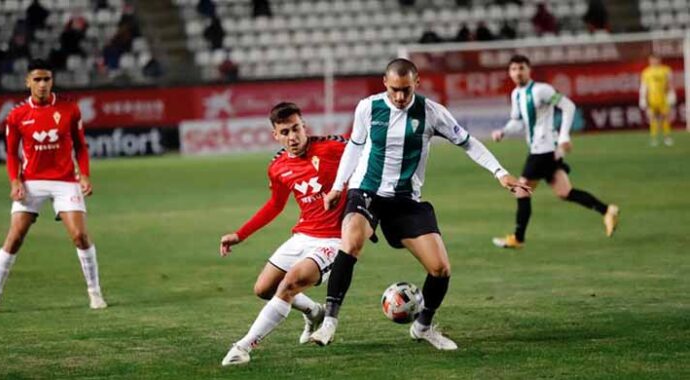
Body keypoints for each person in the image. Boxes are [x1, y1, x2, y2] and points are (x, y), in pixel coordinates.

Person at [308, 59, 529, 350]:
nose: (400, 97)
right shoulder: (368, 107)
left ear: (417, 83)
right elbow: (355, 146)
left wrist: (500, 173)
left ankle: (423, 327)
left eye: (406, 90)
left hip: (406, 200)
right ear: (385, 83)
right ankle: (329, 324)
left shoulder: (432, 112)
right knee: (351, 244)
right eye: (395, 90)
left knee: (440, 269)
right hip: (367, 191)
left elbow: (468, 142)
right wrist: (339, 186)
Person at [219, 103, 348, 365]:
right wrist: (240, 234)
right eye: (285, 132)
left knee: (290, 284)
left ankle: (244, 346)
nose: (293, 137)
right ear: (275, 135)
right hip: (302, 235)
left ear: (304, 126)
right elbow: (275, 205)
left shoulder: (333, 147)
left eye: (296, 129)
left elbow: (365, 154)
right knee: (263, 288)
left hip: (335, 239)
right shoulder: (277, 166)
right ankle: (313, 312)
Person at [0, 59, 106, 316]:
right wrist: (15, 181)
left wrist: (85, 175)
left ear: (52, 81)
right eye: (37, 79)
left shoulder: (70, 109)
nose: (43, 84)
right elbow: (12, 154)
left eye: (47, 79)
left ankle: (95, 293)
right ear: (28, 82)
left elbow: (81, 147)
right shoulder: (16, 115)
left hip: (65, 181)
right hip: (32, 182)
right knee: (14, 238)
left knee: (80, 236)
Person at [491, 54, 619, 249]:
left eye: (521, 68)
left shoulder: (541, 90)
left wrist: (564, 136)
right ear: (509, 72)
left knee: (521, 190)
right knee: (565, 192)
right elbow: (518, 120)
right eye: (514, 69)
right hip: (542, 149)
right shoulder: (516, 94)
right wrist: (504, 131)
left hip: (544, 148)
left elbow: (568, 106)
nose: (517, 72)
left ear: (529, 69)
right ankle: (607, 210)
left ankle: (518, 238)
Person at [640, 54, 676, 147]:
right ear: (649, 60)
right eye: (652, 59)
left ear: (659, 60)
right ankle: (654, 138)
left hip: (663, 98)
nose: (654, 61)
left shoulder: (666, 70)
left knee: (665, 118)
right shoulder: (646, 72)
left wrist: (672, 94)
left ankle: (667, 138)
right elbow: (644, 86)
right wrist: (643, 98)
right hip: (651, 99)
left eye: (656, 59)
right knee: (652, 119)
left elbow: (670, 83)